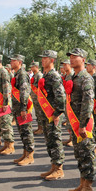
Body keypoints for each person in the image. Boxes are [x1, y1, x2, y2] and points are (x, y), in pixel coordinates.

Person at [64, 48, 96, 191]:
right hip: (74, 121)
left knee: (86, 154)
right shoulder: (73, 76)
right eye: (70, 56)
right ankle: (82, 184)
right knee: (79, 155)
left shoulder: (86, 78)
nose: (71, 59)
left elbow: (88, 103)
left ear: (83, 59)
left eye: (74, 56)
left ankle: (88, 188)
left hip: (83, 124)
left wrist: (82, 124)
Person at [36, 50, 66, 181]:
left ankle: (59, 169)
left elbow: (60, 96)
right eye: (42, 58)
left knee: (55, 140)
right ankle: (53, 166)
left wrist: (57, 113)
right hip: (45, 114)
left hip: (52, 114)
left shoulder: (54, 76)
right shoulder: (45, 74)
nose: (43, 60)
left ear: (52, 60)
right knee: (49, 141)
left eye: (46, 58)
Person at [9, 54, 35, 166]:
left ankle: (30, 155)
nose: (11, 62)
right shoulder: (17, 74)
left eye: (13, 60)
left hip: (23, 108)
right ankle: (25, 153)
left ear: (19, 62)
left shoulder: (23, 75)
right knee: (22, 132)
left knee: (26, 131)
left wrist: (24, 108)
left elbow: (24, 92)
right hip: (18, 108)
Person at [30, 62, 45, 136]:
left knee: (40, 113)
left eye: (32, 67)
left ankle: (41, 128)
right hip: (35, 98)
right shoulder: (34, 75)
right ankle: (39, 127)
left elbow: (41, 87)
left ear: (36, 67)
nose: (31, 68)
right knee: (37, 113)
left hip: (39, 98)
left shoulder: (39, 75)